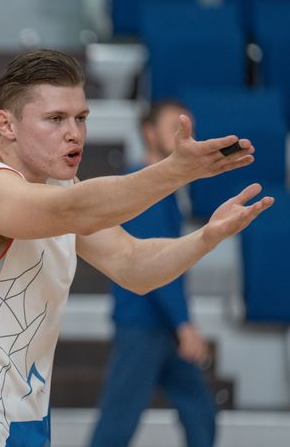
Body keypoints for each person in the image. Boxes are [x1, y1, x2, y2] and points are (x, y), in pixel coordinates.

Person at [0, 50, 273, 447]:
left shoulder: (59, 187)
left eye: (80, 118)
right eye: (55, 119)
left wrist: (206, 238)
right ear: (6, 124)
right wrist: (174, 170)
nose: (74, 133)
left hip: (24, 429)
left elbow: (134, 265)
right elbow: (74, 210)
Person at [89, 100, 217, 447]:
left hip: (163, 325)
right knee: (117, 425)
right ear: (149, 133)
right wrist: (185, 325)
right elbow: (151, 260)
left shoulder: (168, 191)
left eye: (190, 129)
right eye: (176, 128)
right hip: (142, 324)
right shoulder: (140, 186)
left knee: (201, 412)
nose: (186, 137)